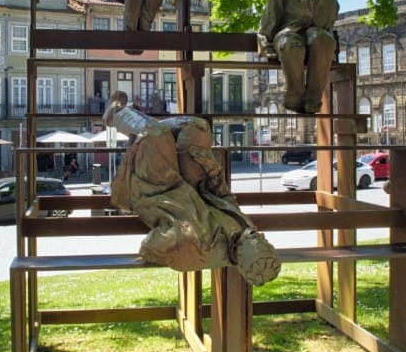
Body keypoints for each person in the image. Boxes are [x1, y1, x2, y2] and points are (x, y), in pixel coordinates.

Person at [102, 90, 280, 286]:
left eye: (256, 242)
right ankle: (141, 128)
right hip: (194, 186)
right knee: (197, 126)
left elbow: (148, 248)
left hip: (162, 191)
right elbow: (224, 197)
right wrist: (212, 170)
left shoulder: (197, 248)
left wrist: (175, 233)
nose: (256, 235)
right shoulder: (245, 231)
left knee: (157, 135)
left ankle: (117, 114)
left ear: (239, 256)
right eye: (262, 239)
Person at [257, 0, 339, 114]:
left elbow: (328, 27)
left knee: (323, 39)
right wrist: (265, 42)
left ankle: (313, 98)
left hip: (315, 42)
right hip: (289, 33)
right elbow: (270, 18)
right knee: (291, 44)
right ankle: (295, 95)